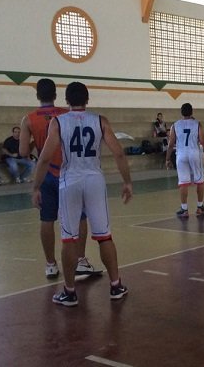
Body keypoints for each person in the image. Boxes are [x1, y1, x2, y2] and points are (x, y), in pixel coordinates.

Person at [31, 82, 132, 306]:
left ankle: (69, 291)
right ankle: (116, 285)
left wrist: (36, 187)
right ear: (87, 99)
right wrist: (127, 182)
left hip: (70, 181)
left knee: (69, 238)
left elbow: (45, 158)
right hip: (94, 179)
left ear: (66, 100)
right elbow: (119, 154)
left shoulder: (58, 122)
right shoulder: (100, 120)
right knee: (104, 235)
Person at [20, 78, 99, 279]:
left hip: (46, 173)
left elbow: (22, 152)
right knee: (80, 217)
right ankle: (80, 260)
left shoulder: (28, 119)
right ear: (56, 95)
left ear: (37, 95)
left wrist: (35, 144)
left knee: (47, 219)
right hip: (69, 171)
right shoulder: (65, 114)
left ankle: (50, 264)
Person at [166, 103, 204, 218]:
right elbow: (202, 141)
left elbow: (170, 144)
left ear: (181, 112)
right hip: (194, 153)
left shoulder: (175, 125)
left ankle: (184, 209)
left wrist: (167, 159)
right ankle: (200, 207)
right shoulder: (197, 124)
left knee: (183, 182)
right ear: (192, 112)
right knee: (199, 180)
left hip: (181, 154)